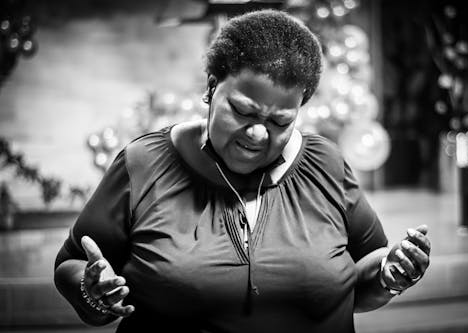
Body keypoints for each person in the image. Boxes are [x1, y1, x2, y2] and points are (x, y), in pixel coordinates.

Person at [54, 9, 431, 333]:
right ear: (212, 86)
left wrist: (388, 274)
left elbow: (363, 276)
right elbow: (71, 264)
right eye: (243, 111)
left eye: (279, 122)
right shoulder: (144, 163)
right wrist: (92, 292)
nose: (256, 133)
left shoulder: (326, 164)